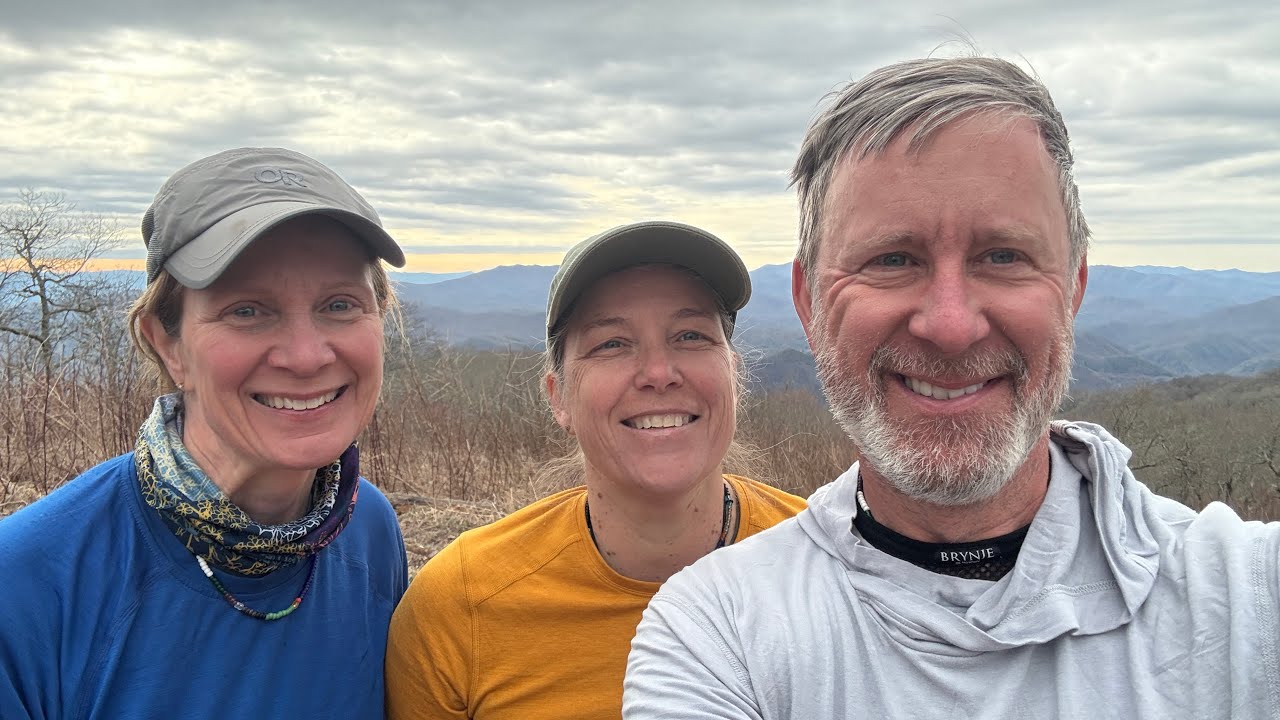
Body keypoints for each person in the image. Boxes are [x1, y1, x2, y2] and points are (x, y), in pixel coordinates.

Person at [623, 57, 1280, 718]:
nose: (951, 326)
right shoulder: (718, 632)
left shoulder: (1247, 596)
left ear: (1073, 288)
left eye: (1002, 256)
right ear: (808, 301)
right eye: (892, 258)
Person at [0, 147, 410, 718]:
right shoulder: (27, 586)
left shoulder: (367, 530)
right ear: (169, 345)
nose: (306, 355)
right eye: (247, 311)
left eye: (340, 304)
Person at [384, 220, 806, 719]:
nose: (657, 373)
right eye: (611, 343)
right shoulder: (460, 605)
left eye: (690, 335)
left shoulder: (827, 567)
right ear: (558, 397)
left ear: (734, 374)